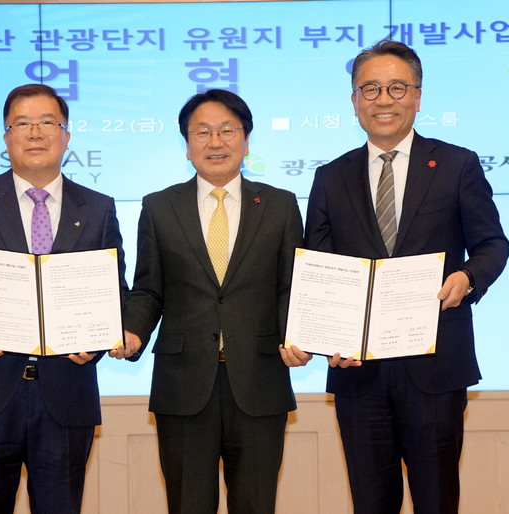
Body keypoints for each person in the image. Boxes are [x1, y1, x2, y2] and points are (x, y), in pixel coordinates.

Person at [304, 40, 509, 513]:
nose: (384, 99)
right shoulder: (330, 177)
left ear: (417, 97)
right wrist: (327, 336)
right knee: (370, 503)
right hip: (358, 372)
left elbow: (492, 245)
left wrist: (467, 277)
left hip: (435, 368)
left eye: (397, 88)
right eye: (370, 89)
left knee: (436, 500)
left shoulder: (456, 164)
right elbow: (318, 264)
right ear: (354, 100)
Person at [0, 83, 126, 514]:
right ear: (6, 137)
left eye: (47, 122)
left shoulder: (98, 207)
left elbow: (114, 289)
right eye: (22, 123)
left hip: (67, 393)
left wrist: (96, 340)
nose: (35, 132)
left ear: (66, 135)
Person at [113, 88, 310, 514]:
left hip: (259, 382)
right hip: (183, 385)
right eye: (202, 132)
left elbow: (291, 288)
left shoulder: (279, 205)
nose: (215, 142)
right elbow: (148, 289)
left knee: (256, 505)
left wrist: (299, 335)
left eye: (227, 130)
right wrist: (131, 332)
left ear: (246, 141)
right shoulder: (159, 207)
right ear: (187, 145)